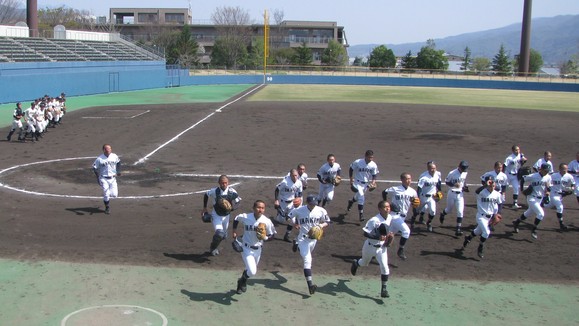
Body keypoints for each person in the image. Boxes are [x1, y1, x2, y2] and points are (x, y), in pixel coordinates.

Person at [287, 193, 330, 295]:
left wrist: (320, 226)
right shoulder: (299, 210)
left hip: (313, 240)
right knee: (308, 260)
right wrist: (294, 224)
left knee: (306, 255)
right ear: (307, 203)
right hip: (303, 239)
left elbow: (328, 221)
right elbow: (288, 217)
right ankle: (310, 285)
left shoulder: (321, 210)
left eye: (314, 203)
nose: (313, 205)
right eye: (311, 204)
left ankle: (296, 244)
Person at [350, 201, 394, 298]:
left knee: (385, 267)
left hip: (382, 248)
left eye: (389, 207)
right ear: (380, 209)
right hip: (370, 246)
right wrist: (377, 237)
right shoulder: (374, 220)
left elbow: (386, 232)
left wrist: (389, 237)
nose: (388, 209)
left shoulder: (390, 217)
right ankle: (356, 263)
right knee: (364, 263)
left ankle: (384, 289)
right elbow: (365, 233)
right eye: (385, 207)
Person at [231, 200, 276, 294]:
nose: (260, 210)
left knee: (249, 269)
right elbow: (236, 218)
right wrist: (234, 231)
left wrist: (265, 237)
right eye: (258, 207)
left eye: (263, 208)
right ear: (253, 208)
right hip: (246, 248)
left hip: (258, 250)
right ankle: (242, 281)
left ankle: (241, 281)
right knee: (252, 271)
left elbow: (273, 235)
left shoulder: (266, 221)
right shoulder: (246, 217)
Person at [461, 175, 501, 259]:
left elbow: (499, 203)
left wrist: (497, 214)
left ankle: (468, 237)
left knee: (477, 231)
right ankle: (480, 247)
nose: (492, 186)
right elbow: (477, 191)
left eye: (493, 184)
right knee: (486, 232)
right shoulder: (481, 193)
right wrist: (486, 185)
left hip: (489, 217)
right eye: (490, 184)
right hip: (481, 216)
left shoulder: (497, 194)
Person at [202, 175, 242, 256]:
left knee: (223, 236)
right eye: (222, 183)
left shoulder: (232, 192)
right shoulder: (214, 191)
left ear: (228, 182)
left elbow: (238, 202)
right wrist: (205, 208)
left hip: (226, 216)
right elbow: (206, 195)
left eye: (225, 183)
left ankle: (211, 220)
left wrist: (232, 208)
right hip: (216, 215)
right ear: (219, 183)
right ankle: (213, 248)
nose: (224, 184)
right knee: (219, 234)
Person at [381, 172, 417, 260]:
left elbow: (414, 202)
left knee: (388, 236)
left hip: (403, 217)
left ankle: (378, 250)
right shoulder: (395, 189)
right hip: (394, 216)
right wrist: (387, 203)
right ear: (402, 180)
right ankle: (401, 249)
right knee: (406, 231)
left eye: (410, 179)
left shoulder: (413, 191)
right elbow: (384, 192)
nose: (409, 181)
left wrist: (415, 210)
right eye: (407, 179)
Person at [512, 163, 552, 239]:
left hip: (539, 199)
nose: (547, 172)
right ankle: (534, 230)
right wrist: (522, 190)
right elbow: (523, 179)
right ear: (541, 169)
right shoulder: (534, 176)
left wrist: (548, 193)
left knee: (529, 212)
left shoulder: (548, 177)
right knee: (541, 214)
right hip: (531, 198)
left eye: (548, 171)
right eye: (545, 170)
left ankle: (516, 222)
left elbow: (548, 186)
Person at [347, 150, 379, 222]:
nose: (371, 159)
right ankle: (361, 215)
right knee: (361, 197)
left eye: (372, 157)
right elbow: (351, 169)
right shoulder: (358, 162)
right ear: (365, 156)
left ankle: (351, 201)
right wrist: (351, 179)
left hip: (366, 184)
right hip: (357, 182)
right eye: (369, 157)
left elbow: (374, 175)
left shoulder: (373, 165)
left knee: (358, 196)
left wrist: (373, 182)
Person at [439, 161, 470, 236]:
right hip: (452, 193)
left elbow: (463, 181)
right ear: (459, 167)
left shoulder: (465, 173)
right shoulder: (452, 173)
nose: (464, 170)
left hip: (460, 195)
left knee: (460, 211)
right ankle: (442, 214)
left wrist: (465, 187)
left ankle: (458, 229)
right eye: (463, 169)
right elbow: (446, 182)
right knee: (448, 210)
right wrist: (454, 184)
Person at [412, 161, 442, 232]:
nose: (434, 170)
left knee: (433, 211)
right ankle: (412, 223)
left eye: (434, 168)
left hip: (432, 197)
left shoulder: (437, 175)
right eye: (432, 168)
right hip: (423, 197)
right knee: (416, 211)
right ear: (428, 169)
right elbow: (419, 188)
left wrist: (439, 191)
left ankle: (429, 223)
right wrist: (417, 197)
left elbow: (438, 183)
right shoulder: (424, 177)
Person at [544, 163, 575, 230]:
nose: (565, 170)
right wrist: (547, 190)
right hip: (554, 194)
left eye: (566, 169)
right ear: (559, 169)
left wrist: (570, 190)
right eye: (563, 169)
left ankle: (540, 204)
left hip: (561, 195)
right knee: (560, 207)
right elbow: (546, 181)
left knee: (549, 205)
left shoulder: (569, 176)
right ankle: (561, 224)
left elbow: (573, 184)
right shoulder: (553, 175)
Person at [274, 168, 303, 242]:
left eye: (296, 175)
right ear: (290, 175)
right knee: (281, 220)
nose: (295, 177)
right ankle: (278, 213)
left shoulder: (299, 182)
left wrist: (298, 199)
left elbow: (300, 193)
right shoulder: (285, 182)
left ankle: (286, 235)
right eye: (293, 176)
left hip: (292, 203)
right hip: (282, 202)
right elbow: (277, 189)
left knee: (292, 221)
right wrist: (276, 200)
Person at [92, 144, 121, 215]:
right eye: (107, 149)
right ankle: (107, 207)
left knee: (114, 195)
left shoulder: (114, 156)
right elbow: (94, 168)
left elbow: (118, 163)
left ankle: (107, 196)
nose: (109, 150)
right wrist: (98, 177)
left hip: (113, 178)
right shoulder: (100, 159)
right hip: (103, 178)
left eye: (110, 148)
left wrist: (118, 171)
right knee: (106, 193)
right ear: (104, 150)